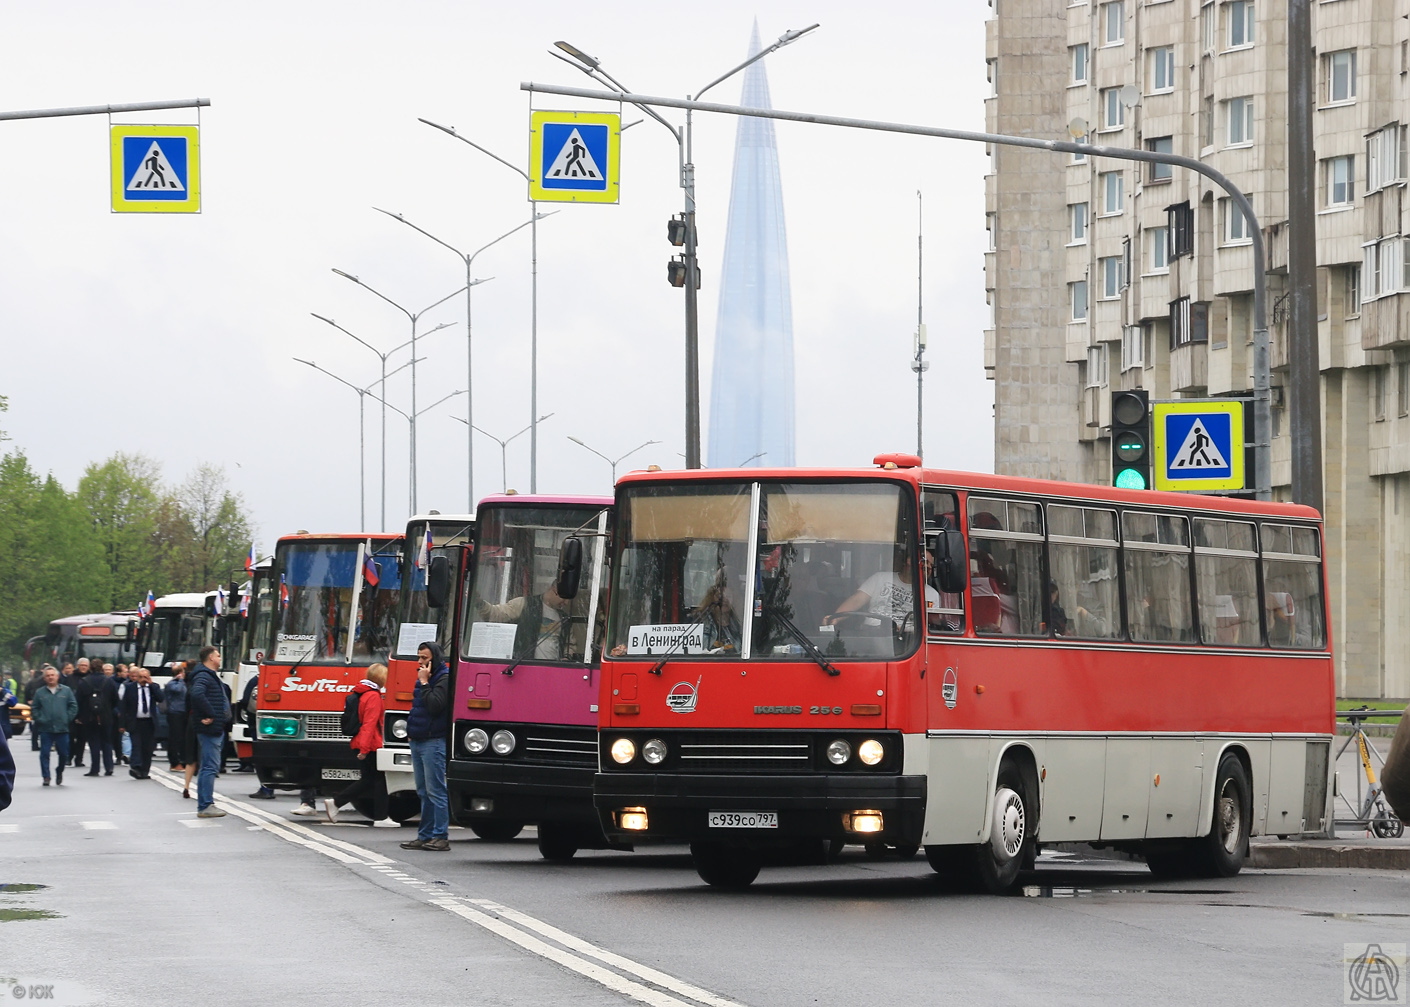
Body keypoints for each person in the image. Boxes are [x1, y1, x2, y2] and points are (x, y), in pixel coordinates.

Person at [324, 663, 397, 827]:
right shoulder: (374, 697)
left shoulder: (362, 693)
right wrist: (364, 749)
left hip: (362, 742)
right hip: (370, 744)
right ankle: (380, 816)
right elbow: (369, 724)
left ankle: (337, 803)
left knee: (370, 779)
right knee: (377, 779)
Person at [401, 642, 450, 852]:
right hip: (419, 739)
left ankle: (440, 836)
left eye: (425, 659)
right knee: (423, 791)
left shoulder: (443, 678)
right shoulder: (427, 679)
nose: (420, 662)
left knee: (436, 790)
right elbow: (417, 708)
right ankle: (425, 835)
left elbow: (435, 706)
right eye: (419, 657)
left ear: (435, 659)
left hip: (433, 740)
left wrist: (424, 683)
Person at [826, 549, 940, 630]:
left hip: (907, 642)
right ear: (909, 560)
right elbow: (856, 600)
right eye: (925, 562)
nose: (929, 567)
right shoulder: (880, 578)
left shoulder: (932, 594)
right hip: (871, 633)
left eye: (931, 565)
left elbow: (929, 626)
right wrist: (835, 618)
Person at [477, 585, 574, 661]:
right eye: (565, 598)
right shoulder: (524, 604)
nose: (566, 603)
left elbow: (570, 644)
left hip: (553, 671)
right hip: (524, 668)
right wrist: (479, 603)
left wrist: (566, 657)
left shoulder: (564, 618)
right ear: (554, 590)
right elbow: (496, 614)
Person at [187, 646, 230, 818]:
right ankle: (205, 805)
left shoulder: (207, 675)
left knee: (209, 766)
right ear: (211, 658)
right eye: (218, 655)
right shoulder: (204, 675)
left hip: (214, 727)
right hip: (210, 728)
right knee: (209, 767)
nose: (220, 658)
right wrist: (210, 713)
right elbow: (197, 694)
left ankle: (206, 803)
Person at [31, 667, 77, 786]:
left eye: (53, 675)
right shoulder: (40, 692)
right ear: (45, 678)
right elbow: (34, 708)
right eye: (48, 675)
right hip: (46, 729)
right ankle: (46, 776)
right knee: (44, 753)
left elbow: (73, 706)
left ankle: (59, 771)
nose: (50, 677)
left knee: (64, 754)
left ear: (57, 676)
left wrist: (67, 718)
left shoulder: (66, 691)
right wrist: (40, 719)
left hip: (62, 728)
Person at [75, 664, 118, 776]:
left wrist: (80, 716)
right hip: (106, 716)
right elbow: (115, 699)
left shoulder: (84, 682)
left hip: (89, 716)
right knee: (107, 742)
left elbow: (78, 700)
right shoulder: (109, 682)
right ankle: (109, 767)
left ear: (90, 668)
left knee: (94, 743)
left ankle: (95, 768)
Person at [121, 669, 164, 779]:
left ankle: (144, 771)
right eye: (141, 677)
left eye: (146, 677)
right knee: (136, 745)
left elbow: (161, 698)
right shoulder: (130, 688)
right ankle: (136, 767)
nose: (143, 679)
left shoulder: (154, 687)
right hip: (135, 722)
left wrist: (151, 684)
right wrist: (122, 724)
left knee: (148, 748)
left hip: (149, 722)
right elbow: (124, 706)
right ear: (137, 677)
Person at [163, 666, 188, 771]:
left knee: (182, 738)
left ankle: (181, 761)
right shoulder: (172, 684)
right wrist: (180, 680)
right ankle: (174, 762)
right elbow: (178, 690)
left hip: (182, 712)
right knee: (175, 738)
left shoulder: (180, 683)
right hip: (175, 712)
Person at [66, 658, 89, 767]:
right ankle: (69, 757)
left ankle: (79, 759)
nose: (83, 667)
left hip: (85, 712)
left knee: (82, 738)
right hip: (71, 711)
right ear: (77, 666)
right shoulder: (70, 678)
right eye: (81, 665)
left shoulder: (89, 678)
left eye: (85, 665)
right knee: (70, 736)